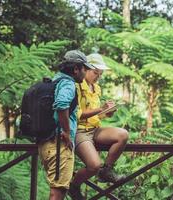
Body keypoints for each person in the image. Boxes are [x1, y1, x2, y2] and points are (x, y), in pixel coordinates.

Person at [68, 53, 129, 200]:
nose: (98, 77)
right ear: (86, 69)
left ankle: (106, 171)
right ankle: (74, 185)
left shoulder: (96, 88)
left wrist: (107, 113)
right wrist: (100, 109)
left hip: (94, 129)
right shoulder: (75, 86)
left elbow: (96, 114)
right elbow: (77, 114)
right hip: (79, 131)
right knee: (94, 165)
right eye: (96, 73)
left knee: (123, 134)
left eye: (100, 74)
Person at [38, 50, 95, 200]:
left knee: (57, 189)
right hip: (59, 145)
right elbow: (62, 104)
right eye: (85, 69)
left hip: (47, 143)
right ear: (76, 69)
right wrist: (67, 132)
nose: (86, 72)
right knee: (58, 192)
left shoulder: (55, 80)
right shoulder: (68, 84)